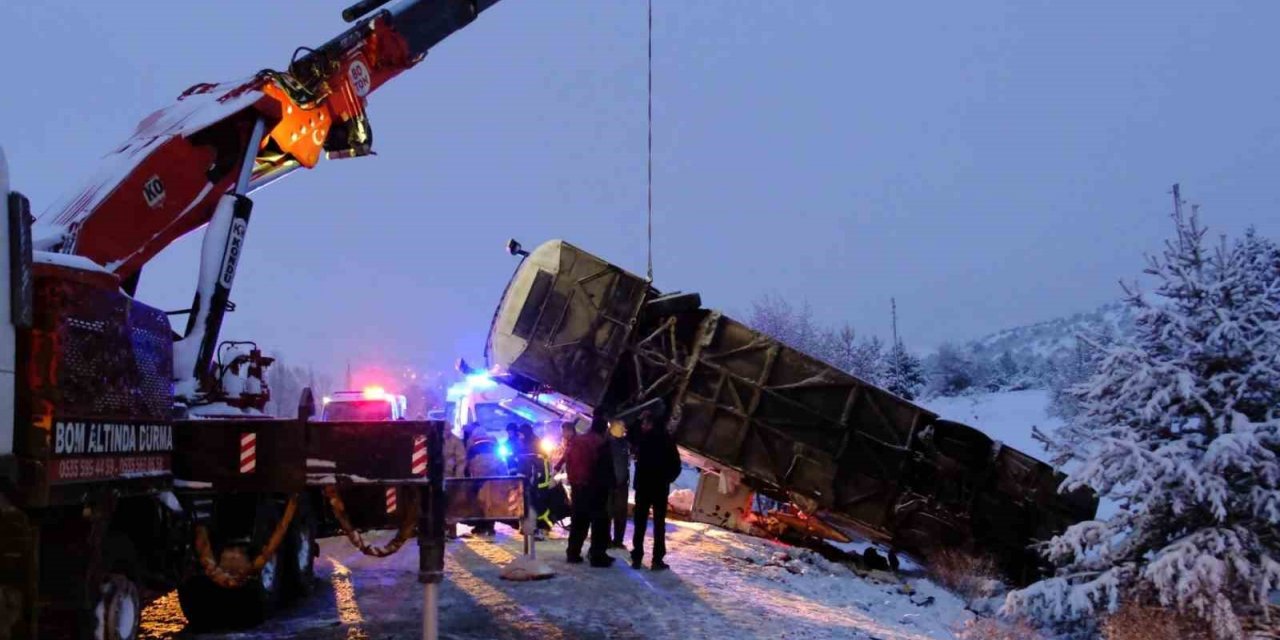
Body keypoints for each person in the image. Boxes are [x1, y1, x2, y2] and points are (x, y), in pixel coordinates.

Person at [629, 409, 682, 571]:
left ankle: (637, 557)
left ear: (651, 424)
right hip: (659, 489)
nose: (645, 425)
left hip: (643, 487)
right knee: (659, 525)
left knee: (640, 523)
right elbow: (676, 466)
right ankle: (657, 559)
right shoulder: (667, 441)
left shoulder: (643, 439)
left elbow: (630, 435)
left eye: (647, 423)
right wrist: (666, 479)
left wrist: (639, 418)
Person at [564, 416, 614, 567]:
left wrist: (573, 480)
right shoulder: (600, 443)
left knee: (579, 521)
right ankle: (598, 555)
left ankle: (573, 553)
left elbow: (568, 460)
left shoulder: (578, 440)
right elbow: (603, 467)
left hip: (577, 487)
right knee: (600, 522)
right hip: (595, 488)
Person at [465, 425, 506, 537]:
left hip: (478, 480)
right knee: (491, 504)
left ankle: (481, 526)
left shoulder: (473, 449)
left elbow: (468, 465)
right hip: (494, 480)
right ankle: (490, 526)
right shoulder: (495, 447)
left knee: (480, 502)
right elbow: (502, 463)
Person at [607, 420, 631, 549]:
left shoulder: (624, 443)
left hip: (621, 484)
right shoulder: (609, 443)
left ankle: (618, 540)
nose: (624, 429)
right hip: (612, 484)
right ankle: (607, 539)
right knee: (609, 512)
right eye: (621, 426)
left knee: (620, 513)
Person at [443, 426, 468, 539]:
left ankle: (451, 529)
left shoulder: (456, 441)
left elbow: (461, 460)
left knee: (451, 504)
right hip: (438, 477)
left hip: (450, 477)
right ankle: (442, 528)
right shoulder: (436, 439)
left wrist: (457, 478)